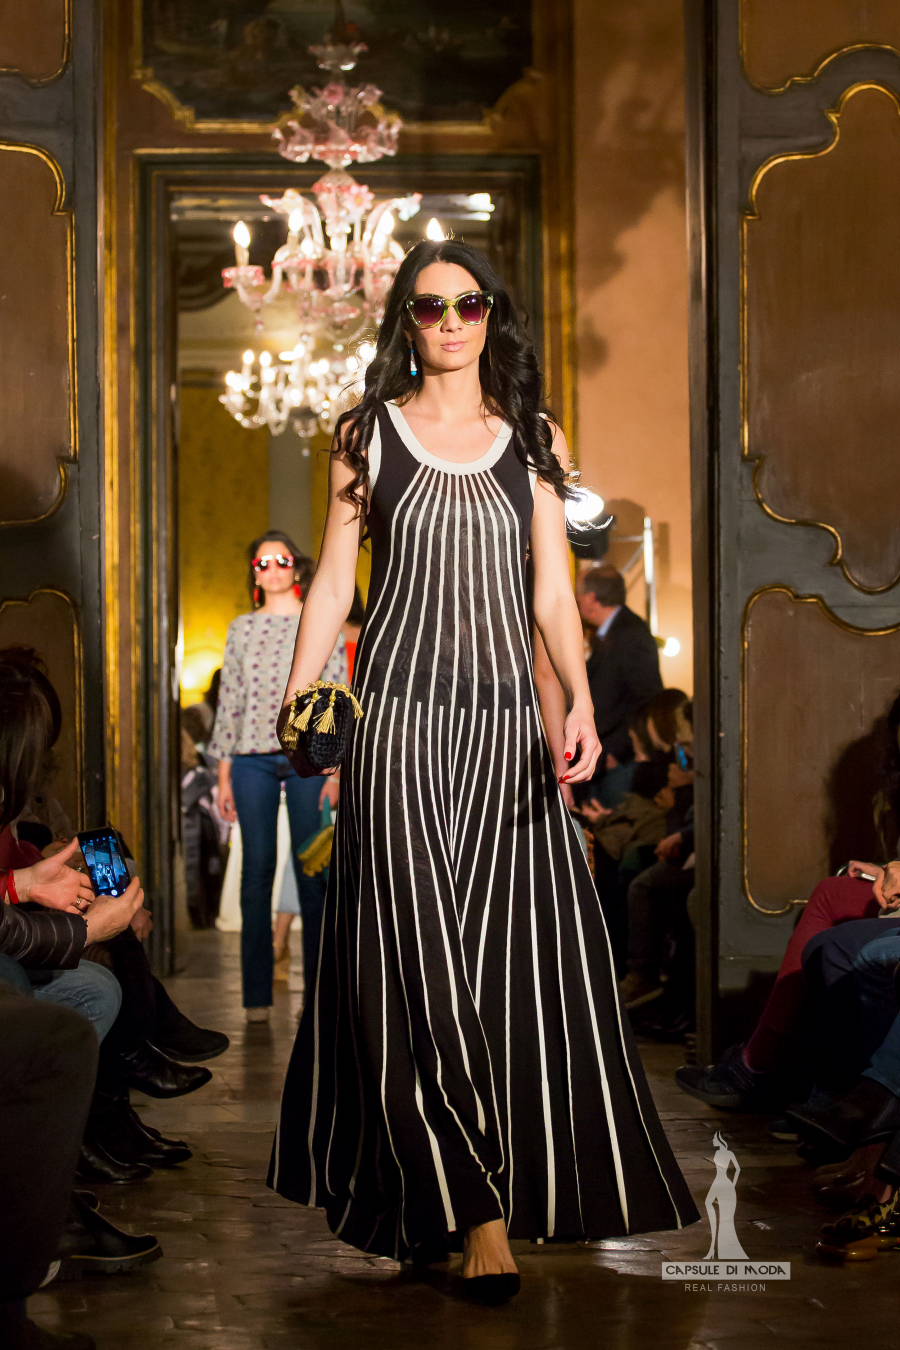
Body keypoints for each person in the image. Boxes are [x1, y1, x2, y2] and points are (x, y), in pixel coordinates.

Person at [268, 238, 697, 1303]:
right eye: (430, 307)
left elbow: (551, 590)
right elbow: (334, 583)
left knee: (504, 961)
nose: (451, 322)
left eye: (468, 304)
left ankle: (442, 1196)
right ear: (406, 321)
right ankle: (479, 1214)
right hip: (397, 725)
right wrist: (300, 692)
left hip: (507, 729)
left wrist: (580, 701)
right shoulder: (365, 434)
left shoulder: (534, 438)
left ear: (491, 315)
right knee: (415, 959)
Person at [209, 533, 348, 1019]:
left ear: (296, 567)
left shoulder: (319, 617)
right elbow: (230, 699)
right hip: (250, 757)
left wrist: (336, 770)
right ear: (254, 572)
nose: (271, 568)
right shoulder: (241, 628)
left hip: (308, 758)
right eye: (261, 562)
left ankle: (319, 995)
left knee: (313, 871)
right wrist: (223, 774)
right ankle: (256, 998)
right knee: (257, 870)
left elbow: (336, 690)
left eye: (280, 560)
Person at [576, 565, 662, 807]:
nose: (577, 601)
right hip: (604, 756)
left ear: (591, 598)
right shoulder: (611, 632)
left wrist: (617, 751)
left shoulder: (631, 635)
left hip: (616, 762)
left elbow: (647, 699)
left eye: (578, 595)